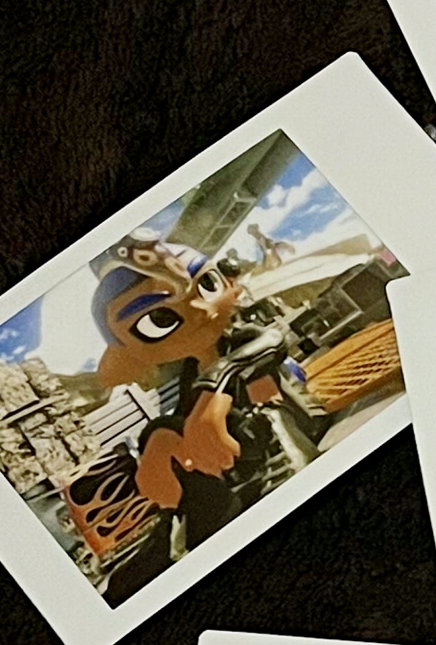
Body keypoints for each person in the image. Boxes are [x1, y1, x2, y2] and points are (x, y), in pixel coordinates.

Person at [89, 229, 318, 571]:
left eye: (207, 284)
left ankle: (284, 455)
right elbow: (182, 418)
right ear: (126, 355)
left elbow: (272, 342)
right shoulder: (190, 376)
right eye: (158, 320)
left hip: (283, 420)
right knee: (170, 441)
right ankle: (178, 522)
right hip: (239, 468)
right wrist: (157, 439)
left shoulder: (243, 338)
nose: (199, 309)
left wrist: (217, 386)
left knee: (260, 390)